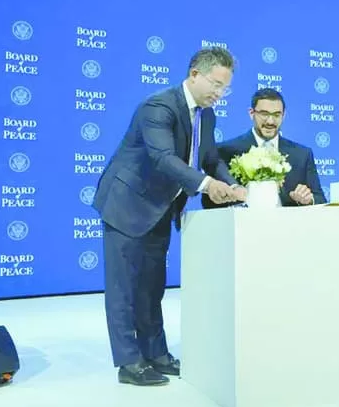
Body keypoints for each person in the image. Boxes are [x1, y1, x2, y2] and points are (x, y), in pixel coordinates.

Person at [92, 48, 245, 386]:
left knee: (152, 287)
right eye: (216, 84)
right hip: (127, 204)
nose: (220, 94)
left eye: (225, 88)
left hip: (161, 208)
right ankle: (129, 363)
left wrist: (233, 185)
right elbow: (163, 158)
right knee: (123, 289)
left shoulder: (206, 115)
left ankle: (156, 353)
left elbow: (210, 159)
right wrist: (207, 185)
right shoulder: (158, 106)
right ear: (195, 74)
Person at [202, 88, 326, 207]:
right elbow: (209, 203)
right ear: (251, 113)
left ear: (284, 115)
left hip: (288, 221)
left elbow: (320, 200)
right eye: (264, 114)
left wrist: (308, 200)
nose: (270, 121)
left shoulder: (302, 155)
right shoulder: (226, 151)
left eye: (276, 115)